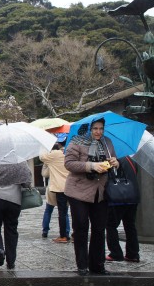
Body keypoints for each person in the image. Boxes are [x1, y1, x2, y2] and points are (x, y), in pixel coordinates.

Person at [64, 117, 119, 276]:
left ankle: (98, 265)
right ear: (89, 128)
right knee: (81, 227)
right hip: (78, 191)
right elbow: (69, 164)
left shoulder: (107, 142)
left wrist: (115, 162)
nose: (98, 132)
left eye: (101, 128)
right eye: (95, 128)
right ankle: (82, 265)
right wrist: (91, 166)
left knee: (99, 229)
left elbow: (114, 161)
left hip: (100, 192)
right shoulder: (77, 141)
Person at [0, 162, 33, 270]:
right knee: (11, 229)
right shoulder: (19, 161)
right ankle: (11, 262)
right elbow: (27, 181)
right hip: (14, 198)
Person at [106, 155, 141, 263]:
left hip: (118, 197)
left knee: (111, 225)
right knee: (130, 225)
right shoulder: (132, 158)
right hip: (132, 196)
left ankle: (115, 253)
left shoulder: (115, 158)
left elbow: (112, 175)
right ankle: (133, 254)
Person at [39, 139, 71, 243]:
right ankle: (68, 233)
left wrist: (43, 145)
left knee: (55, 211)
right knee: (68, 212)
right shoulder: (71, 152)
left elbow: (42, 157)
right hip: (71, 186)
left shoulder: (55, 154)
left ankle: (62, 235)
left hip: (57, 187)